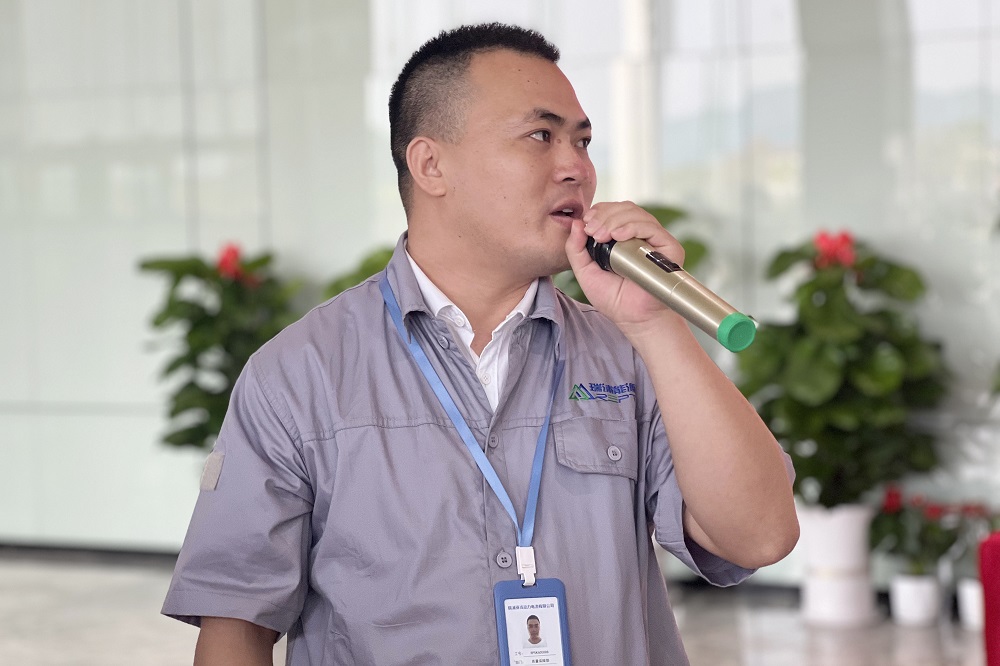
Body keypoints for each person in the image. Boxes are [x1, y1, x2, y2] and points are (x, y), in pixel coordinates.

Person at [162, 22, 799, 665]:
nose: (576, 168)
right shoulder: (299, 373)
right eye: (541, 136)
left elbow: (760, 537)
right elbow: (236, 625)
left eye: (582, 142)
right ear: (431, 165)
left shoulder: (629, 352)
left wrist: (657, 324)